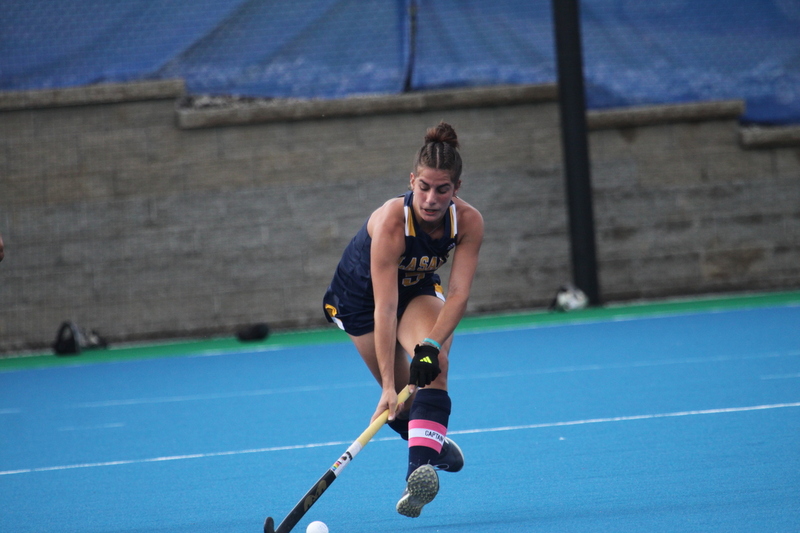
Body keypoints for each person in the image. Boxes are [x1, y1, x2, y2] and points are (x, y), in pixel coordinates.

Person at [323, 122, 484, 518]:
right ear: (412, 180)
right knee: (400, 405)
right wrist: (389, 387)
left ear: (456, 188)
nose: (431, 198)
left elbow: (459, 293)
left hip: (417, 289)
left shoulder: (468, 223)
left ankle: (418, 474)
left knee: (434, 368)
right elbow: (385, 309)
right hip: (360, 301)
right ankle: (432, 443)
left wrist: (430, 347)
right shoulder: (393, 223)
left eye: (442, 189)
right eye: (424, 187)